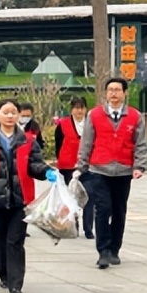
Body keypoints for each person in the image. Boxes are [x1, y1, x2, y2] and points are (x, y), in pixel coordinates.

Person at [0, 99, 55, 293]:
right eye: (5, 112)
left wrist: (46, 172)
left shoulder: (28, 140)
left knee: (15, 240)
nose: (10, 116)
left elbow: (35, 165)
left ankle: (16, 283)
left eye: (13, 112)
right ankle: (3, 273)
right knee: (1, 238)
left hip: (21, 199)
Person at [74, 76, 147, 269]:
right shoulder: (94, 114)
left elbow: (141, 143)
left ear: (125, 93)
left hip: (124, 170)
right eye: (110, 90)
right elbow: (86, 142)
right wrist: (81, 166)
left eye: (117, 90)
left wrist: (139, 166)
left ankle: (114, 249)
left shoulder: (134, 116)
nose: (114, 94)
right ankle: (103, 251)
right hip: (99, 169)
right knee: (102, 209)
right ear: (106, 93)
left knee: (119, 211)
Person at [54, 96, 94, 238]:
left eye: (82, 107)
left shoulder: (91, 124)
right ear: (71, 109)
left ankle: (88, 228)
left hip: (87, 166)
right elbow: (58, 145)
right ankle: (74, 226)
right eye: (76, 108)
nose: (79, 111)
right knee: (70, 198)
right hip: (67, 167)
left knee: (89, 196)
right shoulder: (62, 124)